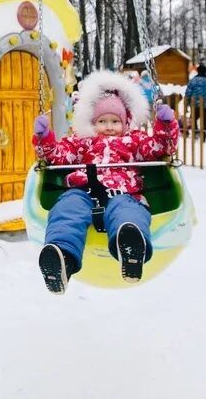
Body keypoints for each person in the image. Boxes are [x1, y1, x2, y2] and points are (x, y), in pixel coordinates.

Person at [33, 70, 180, 293]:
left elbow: (160, 148)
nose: (109, 127)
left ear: (126, 121)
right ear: (92, 122)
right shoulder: (81, 141)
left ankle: (130, 247)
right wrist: (45, 138)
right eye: (102, 121)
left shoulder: (135, 141)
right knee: (66, 208)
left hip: (124, 193)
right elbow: (57, 155)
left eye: (115, 121)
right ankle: (62, 257)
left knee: (129, 212)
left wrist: (166, 127)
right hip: (83, 191)